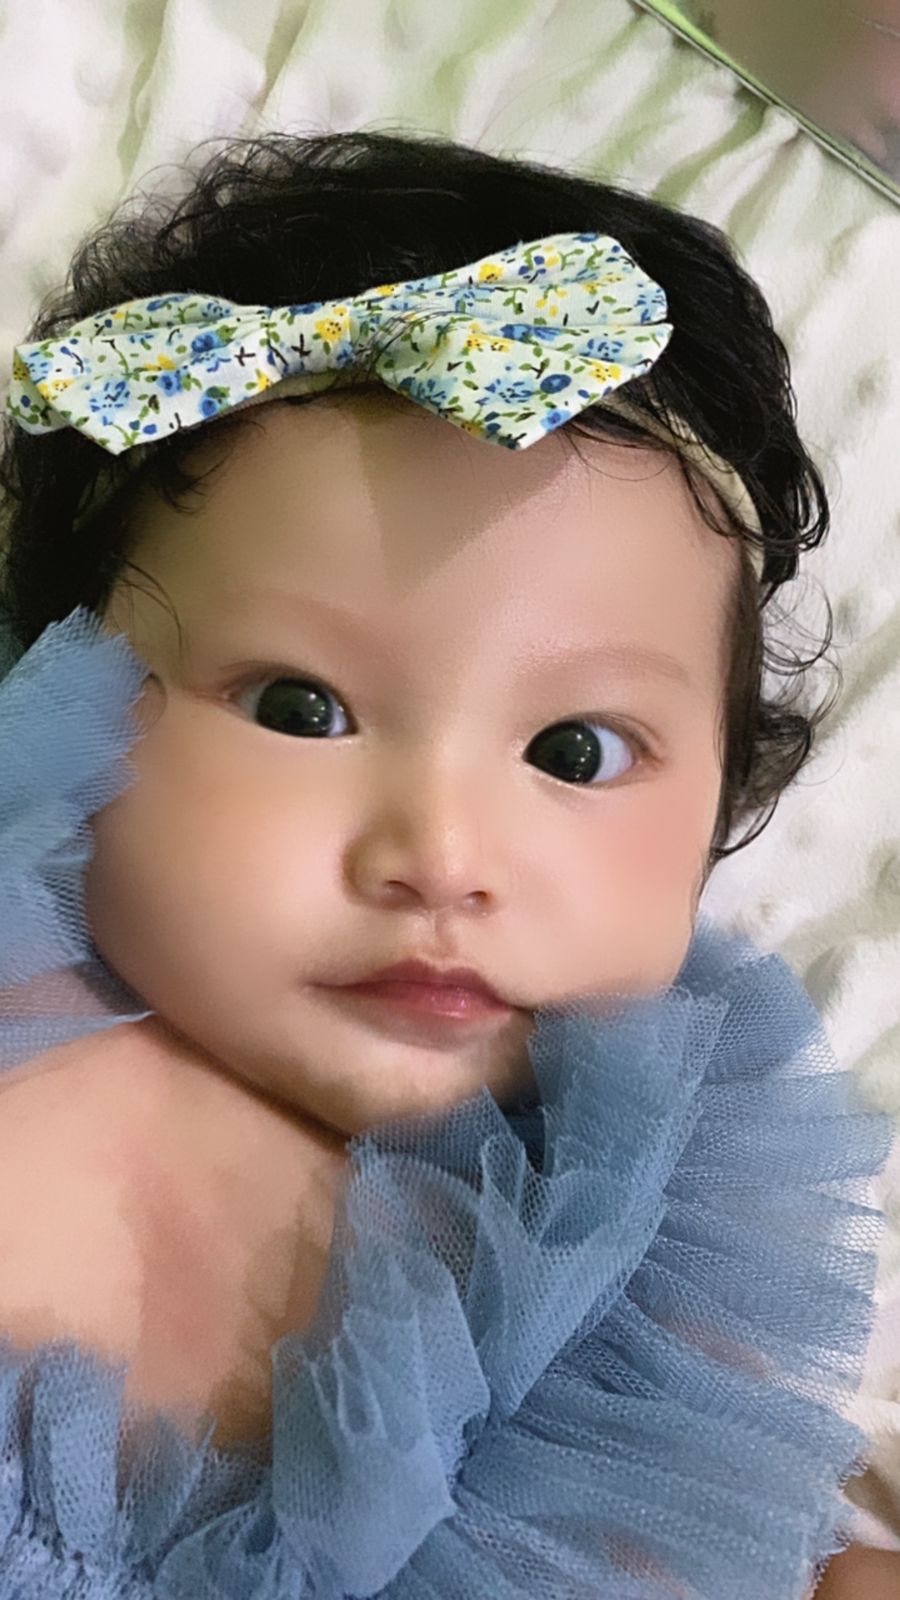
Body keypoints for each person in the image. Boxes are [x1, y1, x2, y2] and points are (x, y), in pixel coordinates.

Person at [0, 127, 893, 1598]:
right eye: (302, 709)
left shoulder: (654, 1216)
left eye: (576, 753)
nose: (445, 857)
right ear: (65, 676)